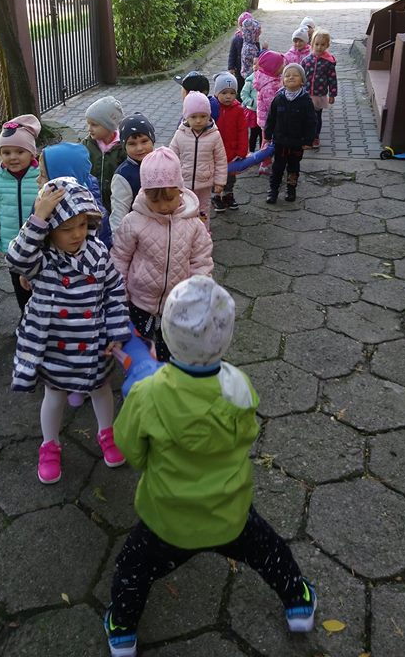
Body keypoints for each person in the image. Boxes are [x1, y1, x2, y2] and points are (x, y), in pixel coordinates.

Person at [104, 276, 317, 657]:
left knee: (132, 567)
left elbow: (130, 448)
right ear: (227, 337)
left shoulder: (146, 394)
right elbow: (247, 434)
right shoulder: (239, 386)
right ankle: (298, 601)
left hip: (167, 519)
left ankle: (122, 630)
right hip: (229, 511)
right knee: (268, 550)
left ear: (165, 336)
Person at [7, 176, 130, 484]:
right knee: (54, 394)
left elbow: (114, 290)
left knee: (101, 388)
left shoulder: (98, 252)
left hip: (93, 342)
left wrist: (116, 330)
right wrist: (38, 217)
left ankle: (107, 432)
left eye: (82, 225)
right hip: (55, 345)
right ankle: (49, 445)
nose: (77, 234)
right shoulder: (41, 259)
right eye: (66, 228)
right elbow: (16, 259)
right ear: (49, 229)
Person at [111, 147, 213, 362]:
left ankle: (167, 374)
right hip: (140, 301)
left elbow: (201, 261)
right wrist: (120, 296)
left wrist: (198, 294)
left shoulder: (193, 224)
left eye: (169, 198)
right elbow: (119, 258)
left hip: (177, 303)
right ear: (144, 193)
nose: (163, 206)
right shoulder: (133, 221)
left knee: (171, 351)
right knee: (140, 352)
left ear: (180, 190)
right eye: (155, 200)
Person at [0, 114, 41, 311]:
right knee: (21, 289)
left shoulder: (41, 178)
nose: (12, 157)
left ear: (32, 153)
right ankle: (26, 317)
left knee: (43, 286)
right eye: (6, 152)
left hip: (40, 247)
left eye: (19, 151)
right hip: (12, 249)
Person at [169, 92, 227, 230]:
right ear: (186, 117)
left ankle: (203, 231)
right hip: (184, 183)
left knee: (203, 210)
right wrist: (170, 180)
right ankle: (184, 231)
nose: (199, 121)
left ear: (209, 116)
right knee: (183, 208)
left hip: (205, 183)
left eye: (203, 116)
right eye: (193, 117)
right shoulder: (180, 134)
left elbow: (220, 159)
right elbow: (171, 157)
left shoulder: (214, 135)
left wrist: (219, 181)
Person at [38, 142, 112, 249]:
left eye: (43, 175)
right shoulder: (43, 205)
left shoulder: (94, 215)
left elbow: (101, 250)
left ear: (61, 179)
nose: (37, 180)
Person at [264, 63, 316, 204]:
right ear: (283, 80)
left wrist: (308, 140)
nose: (291, 77)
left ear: (302, 80)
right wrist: (267, 135)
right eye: (287, 75)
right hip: (280, 142)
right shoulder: (278, 98)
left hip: (297, 142)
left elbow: (311, 122)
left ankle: (291, 189)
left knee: (293, 167)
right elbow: (271, 118)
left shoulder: (306, 101)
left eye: (295, 75)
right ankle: (273, 190)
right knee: (277, 167)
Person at [109, 113, 156, 234]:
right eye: (132, 143)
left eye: (144, 141)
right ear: (124, 146)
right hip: (138, 234)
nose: (139, 148)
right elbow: (119, 213)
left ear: (152, 140)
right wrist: (118, 239)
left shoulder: (162, 163)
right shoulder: (123, 175)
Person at [211, 71, 248, 212]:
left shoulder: (239, 110)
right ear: (216, 93)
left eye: (232, 93)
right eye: (224, 92)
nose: (228, 96)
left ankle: (228, 194)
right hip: (214, 151)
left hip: (231, 151)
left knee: (230, 176)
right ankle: (216, 196)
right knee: (215, 175)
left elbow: (243, 131)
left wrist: (242, 151)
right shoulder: (212, 108)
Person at [83, 95, 126, 211]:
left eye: (94, 125)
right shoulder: (86, 145)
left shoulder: (122, 148)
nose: (89, 129)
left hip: (116, 204)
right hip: (92, 203)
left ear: (109, 125)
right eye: (88, 124)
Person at [301, 29, 337, 150]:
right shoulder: (306, 60)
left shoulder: (328, 62)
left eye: (322, 44)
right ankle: (306, 138)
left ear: (327, 45)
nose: (319, 47)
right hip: (306, 95)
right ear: (312, 44)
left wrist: (332, 94)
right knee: (305, 117)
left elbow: (332, 79)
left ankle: (315, 137)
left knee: (316, 117)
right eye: (316, 44)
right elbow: (300, 76)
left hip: (319, 95)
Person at [253, 49, 286, 176]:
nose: (283, 66)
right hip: (269, 120)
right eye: (281, 65)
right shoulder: (269, 86)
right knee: (267, 141)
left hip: (267, 119)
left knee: (267, 140)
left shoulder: (269, 78)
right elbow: (273, 106)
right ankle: (264, 164)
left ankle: (265, 161)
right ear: (273, 68)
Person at [227, 11, 252, 92]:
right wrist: (231, 67)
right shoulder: (237, 39)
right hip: (239, 67)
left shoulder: (253, 38)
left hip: (251, 67)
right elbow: (232, 54)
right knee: (240, 85)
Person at [240, 59, 261, 152]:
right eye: (254, 64)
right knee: (254, 133)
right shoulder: (250, 80)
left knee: (263, 134)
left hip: (263, 112)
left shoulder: (268, 79)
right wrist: (251, 102)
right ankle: (251, 151)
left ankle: (262, 153)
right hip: (253, 111)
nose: (256, 66)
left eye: (259, 64)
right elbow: (243, 94)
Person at [240, 16, 262, 82]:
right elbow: (260, 60)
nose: (258, 36)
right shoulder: (250, 48)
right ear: (252, 35)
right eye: (257, 35)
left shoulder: (247, 43)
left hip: (249, 75)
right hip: (251, 78)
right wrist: (264, 50)